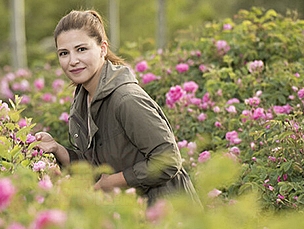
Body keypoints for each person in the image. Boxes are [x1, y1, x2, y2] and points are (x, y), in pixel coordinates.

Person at [35, 9, 199, 206]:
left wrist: (114, 181)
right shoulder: (84, 101)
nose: (72, 61)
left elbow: (169, 160)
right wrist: (57, 149)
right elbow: (98, 167)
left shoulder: (126, 99)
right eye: (64, 53)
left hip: (171, 212)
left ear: (102, 48)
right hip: (133, 213)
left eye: (81, 49)